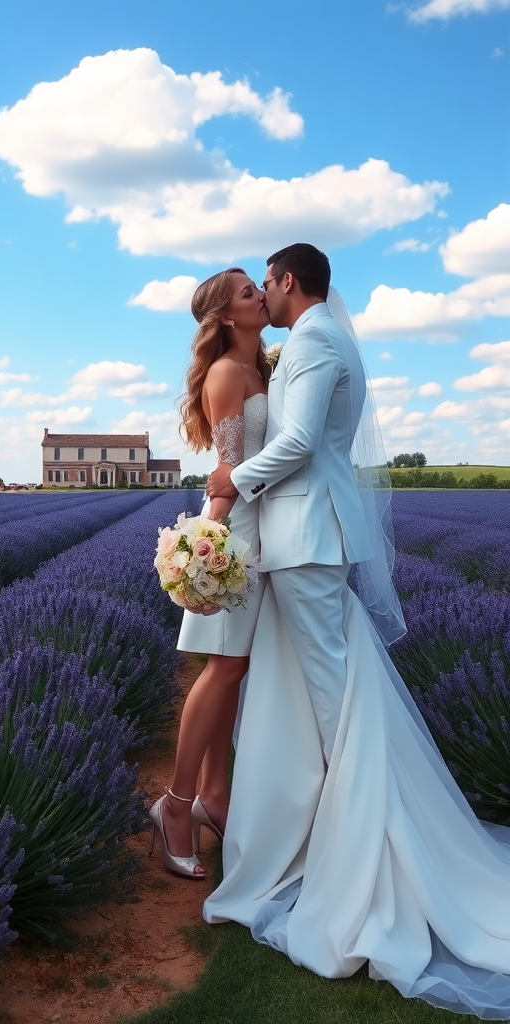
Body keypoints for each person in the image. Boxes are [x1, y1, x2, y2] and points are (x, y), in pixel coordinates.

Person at [203, 243, 510, 1019]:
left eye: (266, 282)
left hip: (307, 540)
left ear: (289, 284)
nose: (264, 295)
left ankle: (370, 863)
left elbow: (302, 442)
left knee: (338, 710)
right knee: (339, 701)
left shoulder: (310, 341)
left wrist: (231, 479)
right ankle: (342, 835)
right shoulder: (330, 340)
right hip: (312, 539)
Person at [149, 267, 269, 879]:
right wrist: (203, 556)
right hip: (234, 533)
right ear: (226, 317)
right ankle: (175, 804)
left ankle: (213, 799)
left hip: (260, 532)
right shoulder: (227, 373)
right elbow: (227, 472)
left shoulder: (262, 369)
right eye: (249, 293)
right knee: (223, 670)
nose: (261, 297)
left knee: (236, 670)